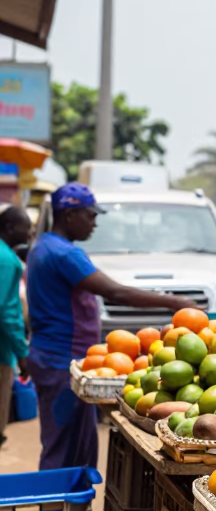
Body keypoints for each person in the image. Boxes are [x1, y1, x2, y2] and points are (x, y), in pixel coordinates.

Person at [26, 184, 195, 470]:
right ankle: (56, 508)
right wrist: (174, 302)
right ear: (70, 215)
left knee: (76, 444)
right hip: (61, 358)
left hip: (55, 355)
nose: (94, 222)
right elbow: (116, 292)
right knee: (62, 447)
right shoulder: (64, 254)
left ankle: (72, 510)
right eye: (90, 215)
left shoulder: (43, 246)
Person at [0, 205, 31, 446]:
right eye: (27, 227)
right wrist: (22, 353)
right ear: (10, 228)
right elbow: (8, 313)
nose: (31, 232)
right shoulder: (8, 261)